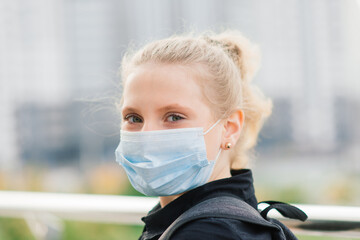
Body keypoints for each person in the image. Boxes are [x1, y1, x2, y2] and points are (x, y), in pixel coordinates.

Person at [115, 30, 303, 239]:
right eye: (134, 118)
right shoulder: (195, 219)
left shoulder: (207, 232)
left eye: (174, 117)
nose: (147, 135)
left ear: (229, 128)